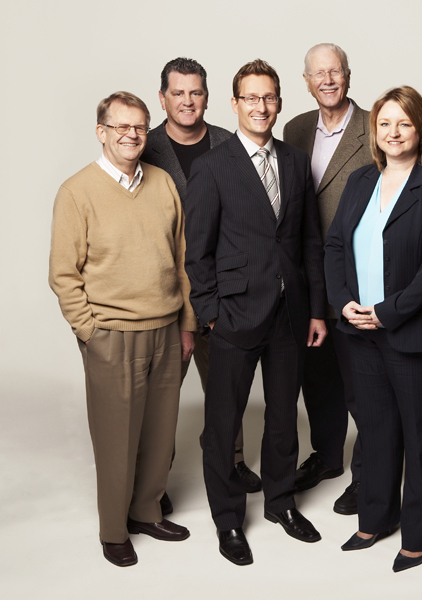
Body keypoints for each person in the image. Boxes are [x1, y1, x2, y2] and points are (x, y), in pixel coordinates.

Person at [184, 59, 327, 566]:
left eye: (268, 97)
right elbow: (197, 251)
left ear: (280, 103)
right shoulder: (212, 167)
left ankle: (281, 502)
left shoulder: (295, 161)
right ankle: (228, 519)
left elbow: (308, 240)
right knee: (223, 424)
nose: (260, 107)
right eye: (251, 98)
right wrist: (211, 313)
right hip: (234, 314)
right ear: (235, 104)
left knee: (284, 417)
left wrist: (315, 310)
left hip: (290, 314)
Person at [49, 91, 195, 567]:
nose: (132, 135)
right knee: (116, 439)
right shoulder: (77, 192)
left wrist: (187, 324)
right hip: (111, 334)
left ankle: (146, 512)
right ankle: (114, 529)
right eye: (121, 127)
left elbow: (182, 260)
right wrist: (89, 330)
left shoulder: (163, 183)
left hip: (166, 328)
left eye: (139, 127)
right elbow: (63, 274)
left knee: (160, 433)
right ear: (101, 132)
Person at [324, 86, 422, 572]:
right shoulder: (361, 180)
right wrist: (343, 302)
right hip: (360, 331)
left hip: (413, 333)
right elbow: (335, 245)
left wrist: (388, 311)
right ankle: (375, 519)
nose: (393, 132)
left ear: (421, 129)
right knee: (377, 430)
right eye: (385, 123)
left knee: (420, 436)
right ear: (375, 131)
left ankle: (420, 534)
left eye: (404, 123)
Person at [142, 58, 261, 507]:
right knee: (160, 400)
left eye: (195, 92)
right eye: (178, 93)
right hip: (168, 296)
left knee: (227, 388)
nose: (187, 101)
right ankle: (152, 481)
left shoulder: (231, 143)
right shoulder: (144, 148)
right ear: (163, 99)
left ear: (208, 98)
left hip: (223, 291)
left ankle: (232, 461)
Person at [283, 43, 371, 515]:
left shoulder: (376, 126)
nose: (328, 80)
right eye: (319, 73)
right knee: (317, 380)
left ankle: (368, 474)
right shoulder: (295, 129)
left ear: (348, 75)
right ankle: (327, 456)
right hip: (308, 282)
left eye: (335, 71)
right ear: (307, 81)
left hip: (358, 281)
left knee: (363, 385)